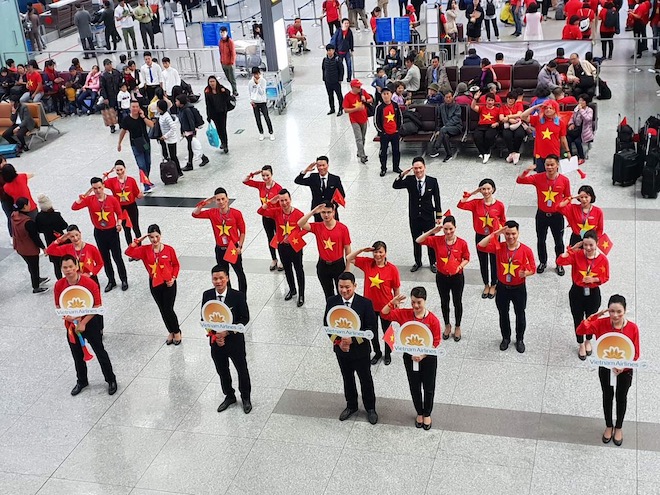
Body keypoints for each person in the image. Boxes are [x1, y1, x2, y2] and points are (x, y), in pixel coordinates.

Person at [576, 294, 639, 446]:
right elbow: (580, 330)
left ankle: (618, 427)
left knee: (621, 397)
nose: (615, 315)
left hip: (624, 370)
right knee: (607, 395)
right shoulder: (601, 323)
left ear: (625, 311)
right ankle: (609, 425)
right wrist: (594, 317)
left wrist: (624, 366)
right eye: (611, 311)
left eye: (619, 311)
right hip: (605, 367)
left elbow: (635, 354)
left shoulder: (632, 328)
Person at [55, 255, 117, 396]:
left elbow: (97, 305)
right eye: (65, 267)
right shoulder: (59, 285)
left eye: (71, 266)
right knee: (77, 354)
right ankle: (82, 381)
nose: (68, 270)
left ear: (76, 266)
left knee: (100, 351)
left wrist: (82, 322)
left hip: (90, 323)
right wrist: (71, 319)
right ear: (61, 269)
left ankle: (111, 379)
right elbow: (59, 307)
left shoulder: (89, 283)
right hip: (71, 325)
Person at [381, 287, 441, 429]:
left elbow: (436, 341)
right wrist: (392, 302)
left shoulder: (433, 320)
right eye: (413, 302)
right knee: (414, 385)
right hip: (409, 356)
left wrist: (423, 354)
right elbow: (384, 315)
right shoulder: (405, 314)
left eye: (419, 302)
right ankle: (419, 412)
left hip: (428, 358)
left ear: (425, 301)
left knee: (428, 386)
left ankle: (427, 413)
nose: (415, 306)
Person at [324, 272, 378, 424]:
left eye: (347, 287)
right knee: (347, 378)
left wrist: (353, 339)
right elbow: (327, 326)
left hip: (361, 352)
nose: (344, 290)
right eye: (340, 287)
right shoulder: (332, 302)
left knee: (365, 380)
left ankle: (370, 408)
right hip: (341, 351)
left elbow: (371, 330)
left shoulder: (365, 303)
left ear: (355, 286)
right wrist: (339, 342)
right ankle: (351, 405)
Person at [477, 221, 536, 353]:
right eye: (507, 234)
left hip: (519, 288)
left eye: (513, 234)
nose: (510, 237)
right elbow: (480, 246)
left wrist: (526, 273)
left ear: (518, 233)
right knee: (503, 314)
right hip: (502, 288)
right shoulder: (499, 247)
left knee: (520, 314)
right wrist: (496, 233)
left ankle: (520, 339)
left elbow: (533, 268)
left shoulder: (526, 250)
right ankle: (506, 338)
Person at [202, 265, 252, 413]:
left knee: (241, 369)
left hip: (235, 341)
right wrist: (215, 335)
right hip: (216, 342)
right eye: (215, 279)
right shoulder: (207, 295)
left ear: (227, 279)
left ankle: (246, 397)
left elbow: (244, 318)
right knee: (222, 370)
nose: (218, 281)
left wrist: (227, 332)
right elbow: (204, 318)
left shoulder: (238, 296)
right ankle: (229, 395)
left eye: (221, 278)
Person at [557, 231, 610, 359]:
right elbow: (560, 260)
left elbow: (606, 276)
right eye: (585, 245)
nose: (588, 248)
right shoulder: (577, 254)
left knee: (591, 319)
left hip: (593, 293)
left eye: (591, 245)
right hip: (577, 292)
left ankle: (588, 341)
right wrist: (572, 249)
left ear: (597, 243)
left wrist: (594, 280)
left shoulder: (602, 259)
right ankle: (580, 343)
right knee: (578, 319)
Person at [416, 216, 470, 341]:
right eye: (445, 229)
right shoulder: (437, 240)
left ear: (455, 228)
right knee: (444, 302)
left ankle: (457, 326)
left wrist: (459, 266)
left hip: (457, 277)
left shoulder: (462, 243)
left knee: (457, 302)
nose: (448, 232)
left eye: (451, 229)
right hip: (441, 277)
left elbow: (467, 257)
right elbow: (419, 240)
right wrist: (433, 230)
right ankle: (447, 325)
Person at [126, 224, 182, 344]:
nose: (155, 240)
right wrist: (138, 241)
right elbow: (128, 252)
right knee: (162, 309)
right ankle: (170, 331)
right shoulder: (145, 250)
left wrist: (173, 277)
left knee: (168, 309)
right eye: (151, 237)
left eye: (157, 236)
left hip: (168, 283)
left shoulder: (169, 249)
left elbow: (176, 265)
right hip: (154, 283)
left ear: (160, 235)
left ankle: (177, 331)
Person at [516, 155, 571, 275]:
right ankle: (542, 262)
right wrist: (526, 171)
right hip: (541, 215)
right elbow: (519, 180)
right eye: (547, 165)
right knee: (541, 240)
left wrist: (562, 204)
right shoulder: (538, 177)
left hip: (557, 215)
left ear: (557, 165)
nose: (549, 167)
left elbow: (568, 197)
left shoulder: (564, 180)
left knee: (559, 241)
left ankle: (559, 263)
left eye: (552, 165)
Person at [347, 241, 400, 365]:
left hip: (386, 306)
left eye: (380, 252)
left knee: (387, 331)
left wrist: (396, 303)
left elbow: (396, 288)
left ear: (385, 253)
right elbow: (349, 258)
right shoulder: (367, 263)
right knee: (373, 332)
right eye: (375, 252)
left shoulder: (392, 269)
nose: (378, 255)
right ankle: (377, 352)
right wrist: (362, 250)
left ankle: (388, 353)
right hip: (369, 306)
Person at [72, 177, 128, 292]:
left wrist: (119, 223)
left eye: (99, 188)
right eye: (94, 188)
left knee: (117, 257)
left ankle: (124, 279)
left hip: (112, 232)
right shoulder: (90, 200)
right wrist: (83, 196)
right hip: (99, 233)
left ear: (103, 186)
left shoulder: (112, 199)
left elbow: (119, 213)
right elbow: (74, 207)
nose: (97, 191)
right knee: (105, 258)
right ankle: (111, 280)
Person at [192, 188, 248, 295]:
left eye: (223, 199)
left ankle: (242, 296)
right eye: (218, 200)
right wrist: (205, 202)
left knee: (239, 273)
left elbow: (242, 231)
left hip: (233, 248)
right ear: (215, 201)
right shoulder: (212, 213)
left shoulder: (236, 213)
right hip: (220, 249)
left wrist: (240, 246)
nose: (221, 202)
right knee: (224, 275)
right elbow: (195, 214)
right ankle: (229, 295)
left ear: (227, 199)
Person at [458, 179, 506, 299]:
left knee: (494, 261)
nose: (486, 191)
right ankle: (486, 284)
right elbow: (461, 204)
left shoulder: (499, 205)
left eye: (488, 189)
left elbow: (503, 220)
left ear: (493, 189)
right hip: (480, 236)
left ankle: (494, 284)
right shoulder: (476, 203)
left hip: (494, 237)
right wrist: (473, 193)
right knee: (483, 261)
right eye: (483, 189)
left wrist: (499, 231)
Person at [393, 157, 442, 273]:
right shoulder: (409, 180)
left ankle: (433, 262)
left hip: (428, 216)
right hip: (414, 216)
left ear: (424, 167)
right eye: (415, 168)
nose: (418, 171)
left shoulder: (432, 181)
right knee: (416, 240)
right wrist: (402, 174)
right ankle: (418, 262)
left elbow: (437, 198)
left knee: (430, 240)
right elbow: (395, 185)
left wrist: (438, 216)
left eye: (420, 168)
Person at [258, 189, 305, 306]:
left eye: (286, 200)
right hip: (282, 246)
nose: (284, 203)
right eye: (281, 201)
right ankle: (292, 289)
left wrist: (294, 236)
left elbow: (305, 229)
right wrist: (269, 202)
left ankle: (301, 294)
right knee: (287, 270)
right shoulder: (277, 212)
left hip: (295, 245)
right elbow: (260, 211)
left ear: (290, 200)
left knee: (298, 269)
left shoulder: (299, 214)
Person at [298, 201, 351, 299]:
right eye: (323, 212)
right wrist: (313, 211)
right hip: (323, 266)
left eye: (329, 212)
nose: (326, 215)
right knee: (328, 294)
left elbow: (348, 249)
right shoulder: (317, 227)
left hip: (338, 265)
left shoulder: (342, 228)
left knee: (342, 294)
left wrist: (347, 269)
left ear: (333, 212)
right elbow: (300, 223)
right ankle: (330, 313)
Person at [244, 165, 283, 271]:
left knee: (279, 238)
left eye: (267, 175)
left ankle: (282, 260)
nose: (265, 178)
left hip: (276, 218)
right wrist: (253, 174)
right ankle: (274, 259)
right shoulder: (261, 185)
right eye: (263, 175)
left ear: (272, 175)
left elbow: (283, 203)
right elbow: (245, 181)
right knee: (270, 238)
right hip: (266, 217)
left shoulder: (278, 188)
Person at [521, 99, 570, 173]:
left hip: (554, 154)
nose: (548, 110)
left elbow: (563, 138)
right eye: (546, 108)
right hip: (539, 154)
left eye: (551, 108)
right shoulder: (538, 120)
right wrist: (535, 107)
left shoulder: (560, 123)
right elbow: (523, 116)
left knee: (553, 177)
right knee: (540, 176)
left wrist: (567, 151)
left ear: (555, 110)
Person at [11, 197, 48, 294]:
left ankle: (37, 279)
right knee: (34, 267)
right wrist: (43, 248)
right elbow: (35, 237)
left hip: (19, 246)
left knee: (30, 265)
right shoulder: (28, 222)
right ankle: (36, 286)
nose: (30, 205)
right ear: (25, 207)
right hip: (29, 249)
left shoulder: (14, 215)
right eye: (28, 204)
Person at [104, 160, 143, 247]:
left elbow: (137, 193)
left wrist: (140, 195)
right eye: (117, 170)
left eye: (121, 169)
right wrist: (106, 175)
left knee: (136, 227)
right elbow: (100, 184)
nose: (120, 172)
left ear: (125, 168)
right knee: (126, 229)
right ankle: (131, 248)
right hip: (120, 208)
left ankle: (140, 248)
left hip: (131, 206)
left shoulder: (131, 180)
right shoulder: (112, 181)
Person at [117, 101, 155, 190]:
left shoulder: (142, 117)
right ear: (130, 108)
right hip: (135, 144)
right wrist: (119, 143)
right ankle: (145, 184)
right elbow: (123, 131)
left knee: (148, 163)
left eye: (137, 107)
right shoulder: (126, 120)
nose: (135, 109)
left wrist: (144, 117)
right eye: (133, 107)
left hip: (145, 142)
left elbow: (152, 125)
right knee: (141, 165)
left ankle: (147, 179)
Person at [295, 156, 346, 222]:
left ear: (327, 165)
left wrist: (334, 205)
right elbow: (298, 181)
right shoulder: (313, 177)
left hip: (331, 211)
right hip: (317, 211)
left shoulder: (335, 179)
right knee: (319, 230)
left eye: (323, 165)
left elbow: (342, 194)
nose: (321, 168)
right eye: (319, 166)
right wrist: (306, 170)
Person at [35, 193, 68, 280]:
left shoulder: (39, 217)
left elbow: (39, 230)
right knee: (67, 262)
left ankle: (60, 280)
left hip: (50, 243)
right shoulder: (56, 215)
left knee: (56, 265)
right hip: (61, 241)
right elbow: (64, 225)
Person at [176, 94, 210, 171]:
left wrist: (193, 132)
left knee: (190, 147)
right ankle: (204, 158)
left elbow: (191, 121)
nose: (176, 102)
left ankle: (190, 164)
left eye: (177, 101)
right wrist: (182, 131)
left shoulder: (186, 110)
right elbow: (182, 121)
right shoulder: (181, 109)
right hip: (186, 131)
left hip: (190, 131)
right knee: (192, 147)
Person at [342, 79, 373, 164]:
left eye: (360, 86)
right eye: (357, 87)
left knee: (363, 137)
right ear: (352, 87)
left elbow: (371, 99)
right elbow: (345, 110)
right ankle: (363, 156)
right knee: (359, 138)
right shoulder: (347, 97)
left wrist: (366, 100)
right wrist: (356, 109)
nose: (359, 88)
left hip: (364, 118)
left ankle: (359, 151)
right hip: (354, 120)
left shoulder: (363, 92)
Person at [374, 87, 403, 177]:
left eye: (387, 94)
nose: (386, 96)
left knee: (396, 151)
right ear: (381, 96)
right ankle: (383, 168)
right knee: (383, 152)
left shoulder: (395, 105)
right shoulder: (379, 107)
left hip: (394, 133)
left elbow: (399, 117)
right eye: (384, 94)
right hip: (385, 134)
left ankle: (396, 167)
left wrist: (398, 128)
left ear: (391, 94)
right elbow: (376, 121)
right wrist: (381, 132)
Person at [428, 91, 462, 161]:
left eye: (450, 97)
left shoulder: (457, 106)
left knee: (443, 130)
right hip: (444, 129)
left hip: (456, 127)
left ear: (452, 97)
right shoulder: (441, 107)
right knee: (445, 135)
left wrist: (444, 127)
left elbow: (456, 119)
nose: (448, 99)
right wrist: (438, 129)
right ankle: (449, 154)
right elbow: (439, 120)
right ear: (444, 98)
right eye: (447, 97)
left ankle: (435, 148)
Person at [470, 92, 500, 164]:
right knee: (477, 136)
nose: (490, 102)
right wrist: (475, 99)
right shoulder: (482, 108)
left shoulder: (497, 109)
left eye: (492, 100)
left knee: (488, 136)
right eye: (489, 100)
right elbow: (473, 107)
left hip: (491, 126)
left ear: (494, 101)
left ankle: (486, 152)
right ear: (486, 101)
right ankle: (484, 153)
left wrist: (497, 123)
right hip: (481, 126)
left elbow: (500, 120)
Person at [204, 75, 231, 154]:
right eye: (210, 82)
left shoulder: (220, 88)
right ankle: (222, 141)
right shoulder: (207, 91)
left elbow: (228, 93)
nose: (212, 83)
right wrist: (208, 116)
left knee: (223, 128)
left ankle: (225, 144)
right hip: (214, 113)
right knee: (218, 129)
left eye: (213, 81)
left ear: (216, 82)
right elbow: (207, 104)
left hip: (222, 112)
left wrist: (224, 91)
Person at [156, 99, 182, 176]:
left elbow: (173, 127)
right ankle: (175, 171)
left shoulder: (166, 116)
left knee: (173, 156)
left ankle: (178, 171)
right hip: (166, 139)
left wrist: (166, 136)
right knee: (169, 156)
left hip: (171, 139)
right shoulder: (161, 115)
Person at [248, 67, 274, 141]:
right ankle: (261, 132)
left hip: (262, 102)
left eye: (257, 74)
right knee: (257, 119)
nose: (256, 76)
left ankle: (271, 132)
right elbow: (250, 92)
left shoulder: (263, 81)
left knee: (266, 117)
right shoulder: (250, 82)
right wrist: (251, 100)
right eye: (254, 74)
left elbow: (262, 92)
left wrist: (257, 84)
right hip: (255, 102)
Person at [499, 92, 525, 164]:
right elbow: (501, 118)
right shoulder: (502, 107)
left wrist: (507, 117)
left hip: (517, 123)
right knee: (507, 135)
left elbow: (519, 114)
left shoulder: (519, 105)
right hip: (507, 124)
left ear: (515, 100)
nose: (510, 101)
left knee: (519, 134)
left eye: (512, 99)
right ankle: (512, 153)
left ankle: (516, 152)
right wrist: (509, 119)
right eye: (509, 99)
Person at [567, 94, 594, 164]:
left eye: (583, 101)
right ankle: (570, 156)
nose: (580, 102)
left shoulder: (589, 110)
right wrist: (571, 124)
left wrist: (581, 110)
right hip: (576, 129)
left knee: (577, 141)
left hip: (584, 131)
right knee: (568, 139)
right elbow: (572, 117)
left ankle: (581, 157)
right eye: (580, 100)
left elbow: (588, 119)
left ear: (586, 102)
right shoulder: (576, 108)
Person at [100, 59, 124, 134]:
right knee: (110, 111)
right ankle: (112, 126)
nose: (109, 66)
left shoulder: (116, 72)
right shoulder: (103, 76)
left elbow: (120, 82)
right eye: (107, 64)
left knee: (120, 110)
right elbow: (102, 87)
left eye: (110, 64)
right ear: (105, 66)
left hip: (118, 94)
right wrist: (105, 97)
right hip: (110, 96)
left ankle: (121, 123)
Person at [322, 44, 344, 116]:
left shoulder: (337, 59)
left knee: (339, 95)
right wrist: (324, 78)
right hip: (328, 81)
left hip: (336, 81)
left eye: (330, 50)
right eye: (328, 50)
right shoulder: (325, 60)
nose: (329, 52)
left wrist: (340, 79)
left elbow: (341, 70)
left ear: (334, 50)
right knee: (330, 95)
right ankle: (332, 108)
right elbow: (323, 69)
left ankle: (341, 108)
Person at [218, 27, 239, 97]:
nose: (222, 34)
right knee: (228, 78)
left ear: (226, 32)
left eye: (223, 32)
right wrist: (221, 60)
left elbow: (233, 52)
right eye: (221, 32)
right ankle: (234, 90)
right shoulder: (220, 41)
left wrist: (232, 62)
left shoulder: (230, 41)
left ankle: (235, 91)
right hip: (224, 63)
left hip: (230, 63)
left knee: (232, 78)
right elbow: (220, 52)